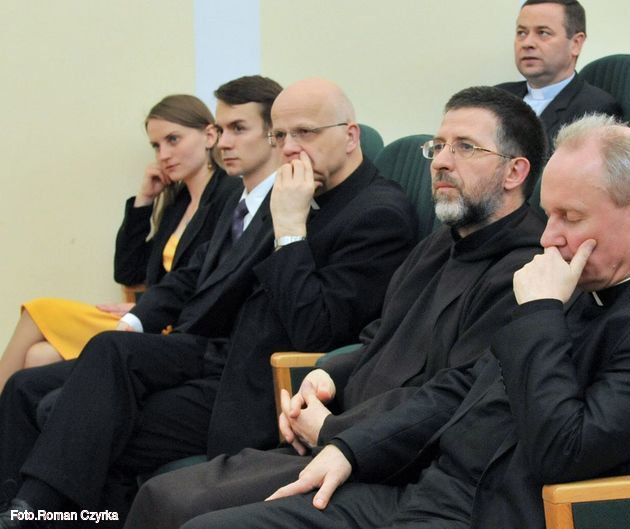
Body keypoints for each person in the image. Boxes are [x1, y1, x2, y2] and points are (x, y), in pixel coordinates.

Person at [182, 114, 630, 529]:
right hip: (425, 491)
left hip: (492, 514)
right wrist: (351, 448)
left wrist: (540, 313)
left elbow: (563, 452)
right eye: (549, 214)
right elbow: (462, 386)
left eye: (570, 217)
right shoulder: (580, 282)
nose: (548, 237)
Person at [124, 85, 548, 529]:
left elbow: (454, 398)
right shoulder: (440, 245)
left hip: (394, 463)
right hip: (343, 430)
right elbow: (379, 336)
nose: (441, 160)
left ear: (514, 172)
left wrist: (334, 432)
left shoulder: (525, 271)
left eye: (465, 147)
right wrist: (326, 376)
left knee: (191, 514)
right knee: (162, 495)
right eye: (438, 146)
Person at [0, 76, 416, 528]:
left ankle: (40, 513)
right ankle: (33, 511)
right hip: (223, 355)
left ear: (350, 136)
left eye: (305, 133)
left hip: (266, 387)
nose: (290, 148)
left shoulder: (377, 213)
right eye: (280, 136)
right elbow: (223, 283)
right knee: (104, 353)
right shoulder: (300, 192)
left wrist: (290, 231)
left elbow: (315, 332)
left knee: (68, 414)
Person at [0, 95, 240, 390]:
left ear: (209, 136)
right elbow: (128, 271)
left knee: (38, 311)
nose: (164, 154)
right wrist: (144, 200)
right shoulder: (178, 203)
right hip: (150, 314)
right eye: (156, 146)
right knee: (39, 354)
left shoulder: (230, 195)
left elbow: (210, 281)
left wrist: (144, 308)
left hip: (174, 324)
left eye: (173, 139)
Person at [496, 0, 621, 145]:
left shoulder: (594, 109)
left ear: (576, 43)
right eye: (521, 33)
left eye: (543, 33)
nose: (527, 43)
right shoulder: (498, 96)